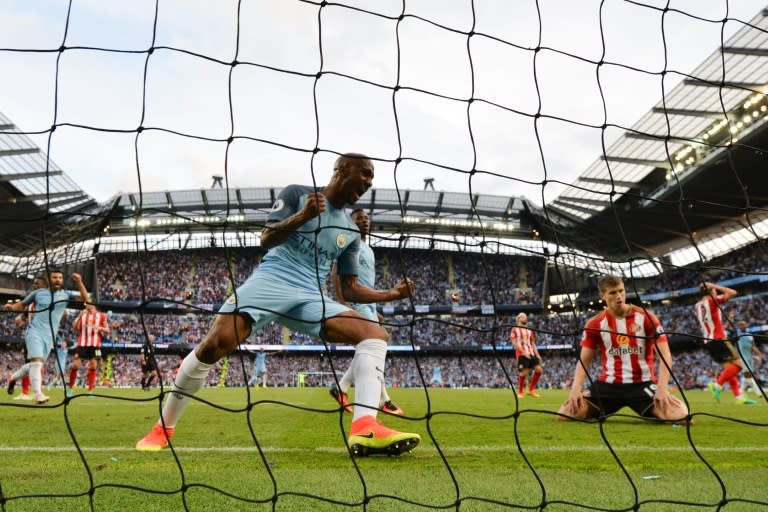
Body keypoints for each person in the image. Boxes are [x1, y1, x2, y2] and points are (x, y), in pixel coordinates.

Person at [136, 153, 421, 456]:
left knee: (375, 334)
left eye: (371, 178)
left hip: (310, 296)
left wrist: (391, 295)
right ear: (340, 170)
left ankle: (365, 427)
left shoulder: (350, 231)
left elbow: (349, 288)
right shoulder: (299, 194)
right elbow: (265, 239)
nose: (368, 182)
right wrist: (302, 216)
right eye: (364, 174)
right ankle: (163, 427)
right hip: (271, 280)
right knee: (214, 345)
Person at [557, 274, 689, 423]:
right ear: (602, 296)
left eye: (621, 291)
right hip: (608, 386)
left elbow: (665, 355)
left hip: (642, 384)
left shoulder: (646, 317)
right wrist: (575, 389)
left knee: (682, 417)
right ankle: (601, 410)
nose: (619, 296)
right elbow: (584, 361)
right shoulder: (594, 324)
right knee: (565, 414)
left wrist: (662, 388)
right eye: (613, 293)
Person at [329, 208, 404, 416]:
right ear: (350, 222)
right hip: (356, 302)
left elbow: (366, 282)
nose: (364, 221)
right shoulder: (348, 242)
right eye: (358, 218)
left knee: (369, 349)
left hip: (368, 304)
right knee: (378, 343)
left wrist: (375, 308)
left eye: (366, 218)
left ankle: (342, 388)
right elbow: (336, 272)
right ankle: (383, 400)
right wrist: (344, 303)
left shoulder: (368, 249)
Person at [5, 270, 89, 404]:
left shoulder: (65, 295)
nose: (58, 280)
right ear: (49, 280)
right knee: (37, 363)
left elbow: (86, 300)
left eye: (60, 278)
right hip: (34, 332)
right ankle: (38, 394)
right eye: (55, 277)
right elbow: (22, 305)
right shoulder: (38, 294)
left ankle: (13, 377)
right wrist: (11, 307)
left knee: (35, 365)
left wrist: (79, 282)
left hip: (49, 336)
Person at [694, 281, 753, 404]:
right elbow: (733, 292)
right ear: (712, 291)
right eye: (714, 290)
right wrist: (714, 286)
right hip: (719, 339)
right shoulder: (713, 301)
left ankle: (739, 397)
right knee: (739, 365)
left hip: (708, 342)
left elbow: (713, 320)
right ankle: (717, 385)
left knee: (729, 371)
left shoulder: (698, 305)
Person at [68, 302, 110, 396]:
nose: (85, 305)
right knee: (75, 365)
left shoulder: (101, 316)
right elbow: (75, 328)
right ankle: (70, 388)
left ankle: (90, 390)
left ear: (93, 304)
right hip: (82, 344)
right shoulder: (82, 314)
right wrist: (79, 316)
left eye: (87, 303)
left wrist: (99, 328)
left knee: (93, 366)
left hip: (95, 345)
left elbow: (108, 330)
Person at [510, 312, 543, 398]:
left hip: (531, 353)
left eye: (525, 317)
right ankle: (520, 392)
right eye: (523, 317)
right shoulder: (515, 329)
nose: (525, 318)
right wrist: (524, 352)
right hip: (521, 353)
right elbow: (514, 343)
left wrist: (537, 354)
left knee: (539, 370)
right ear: (518, 319)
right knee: (524, 373)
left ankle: (531, 390)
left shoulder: (529, 330)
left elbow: (533, 344)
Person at [734, 320, 762, 398]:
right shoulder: (738, 333)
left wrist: (759, 354)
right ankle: (759, 393)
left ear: (746, 325)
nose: (743, 326)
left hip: (749, 357)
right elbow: (732, 328)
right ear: (739, 326)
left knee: (747, 376)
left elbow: (753, 346)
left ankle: (740, 393)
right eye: (741, 325)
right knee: (748, 374)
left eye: (744, 324)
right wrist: (731, 317)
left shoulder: (749, 335)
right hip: (742, 357)